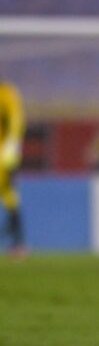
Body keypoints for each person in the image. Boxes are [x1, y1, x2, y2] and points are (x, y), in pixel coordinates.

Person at [0, 78, 26, 258]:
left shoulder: (7, 95)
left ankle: (19, 244)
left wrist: (10, 150)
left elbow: (17, 123)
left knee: (9, 195)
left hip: (3, 156)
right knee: (10, 196)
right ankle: (18, 243)